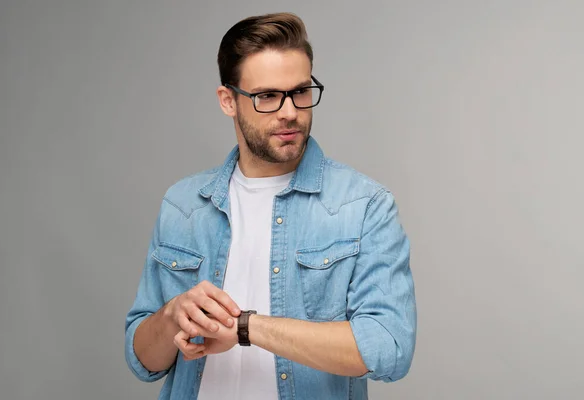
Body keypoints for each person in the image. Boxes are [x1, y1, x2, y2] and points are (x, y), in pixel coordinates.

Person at [124, 12, 417, 400]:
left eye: (300, 91)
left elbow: (389, 347)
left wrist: (246, 327)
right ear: (228, 101)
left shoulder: (363, 206)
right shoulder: (182, 205)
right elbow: (143, 360)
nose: (290, 111)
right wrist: (172, 315)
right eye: (266, 96)